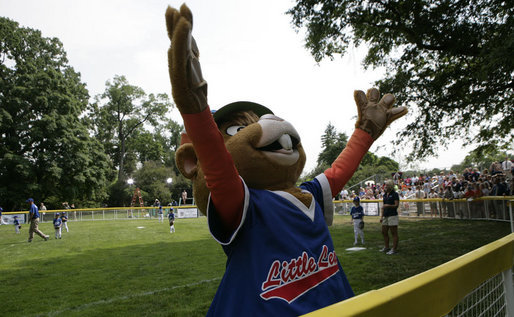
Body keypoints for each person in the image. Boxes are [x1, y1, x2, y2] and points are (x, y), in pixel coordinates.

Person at [380, 180, 400, 255]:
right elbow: (383, 206)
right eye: (385, 185)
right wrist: (381, 217)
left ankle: (394, 249)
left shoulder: (395, 194)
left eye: (387, 185)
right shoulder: (385, 195)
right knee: (384, 231)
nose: (385, 186)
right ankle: (386, 247)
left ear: (391, 186)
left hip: (392, 215)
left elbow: (396, 205)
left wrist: (388, 206)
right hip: (385, 215)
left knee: (394, 233)